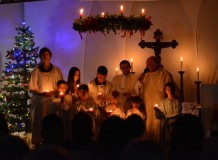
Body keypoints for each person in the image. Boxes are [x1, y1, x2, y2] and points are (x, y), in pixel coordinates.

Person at [29, 47, 63, 146]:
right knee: (39, 122)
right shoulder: (36, 71)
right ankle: (38, 142)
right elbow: (32, 88)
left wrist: (52, 92)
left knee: (53, 122)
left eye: (47, 54)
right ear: (40, 57)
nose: (45, 56)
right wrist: (42, 94)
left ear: (50, 56)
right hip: (40, 101)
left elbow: (61, 87)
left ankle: (54, 141)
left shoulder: (57, 71)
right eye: (43, 55)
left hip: (53, 101)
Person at [142, 56, 174, 143]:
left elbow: (170, 92)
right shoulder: (147, 75)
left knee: (159, 129)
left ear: (155, 64)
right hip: (148, 107)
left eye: (148, 64)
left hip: (160, 108)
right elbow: (142, 90)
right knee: (148, 127)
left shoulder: (165, 74)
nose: (146, 66)